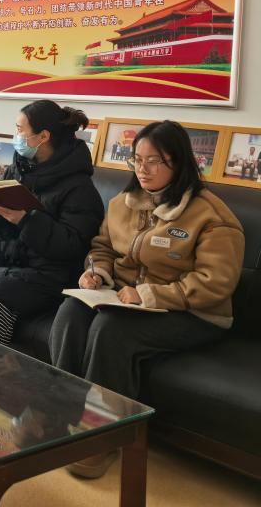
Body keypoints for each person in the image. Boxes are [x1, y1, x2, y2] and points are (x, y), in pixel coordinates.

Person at [49, 120, 244, 479]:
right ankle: (61, 411)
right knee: (71, 310)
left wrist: (147, 295)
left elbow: (215, 283)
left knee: (112, 329)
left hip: (194, 313)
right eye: (137, 159)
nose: (143, 169)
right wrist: (96, 273)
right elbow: (103, 247)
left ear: (179, 162)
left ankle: (104, 435)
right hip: (127, 300)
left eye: (155, 161)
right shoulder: (123, 203)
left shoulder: (211, 216)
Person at [0, 100, 103, 344]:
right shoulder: (18, 168)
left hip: (46, 277)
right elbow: (6, 225)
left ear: (43, 136)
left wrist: (26, 221)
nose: (16, 136)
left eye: (20, 130)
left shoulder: (79, 187)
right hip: (3, 264)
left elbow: (73, 245)